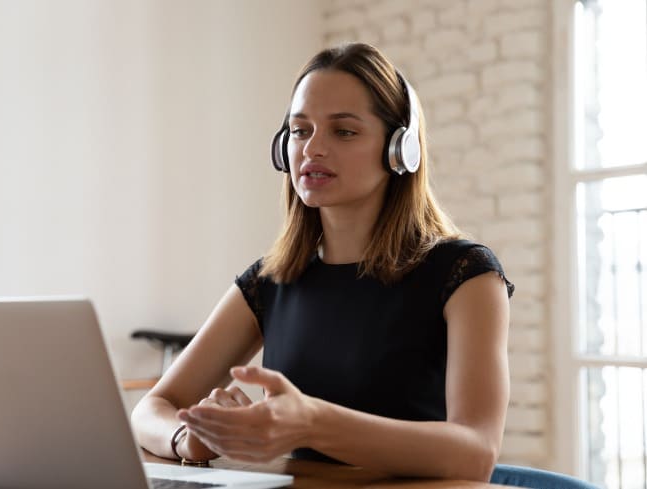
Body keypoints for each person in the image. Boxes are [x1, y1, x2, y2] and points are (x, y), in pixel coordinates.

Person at [130, 42, 514, 482]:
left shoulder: (465, 274)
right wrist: (192, 437)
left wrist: (312, 422)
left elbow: (477, 452)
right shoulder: (270, 281)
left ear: (399, 151)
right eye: (300, 130)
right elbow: (152, 408)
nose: (313, 148)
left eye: (344, 132)